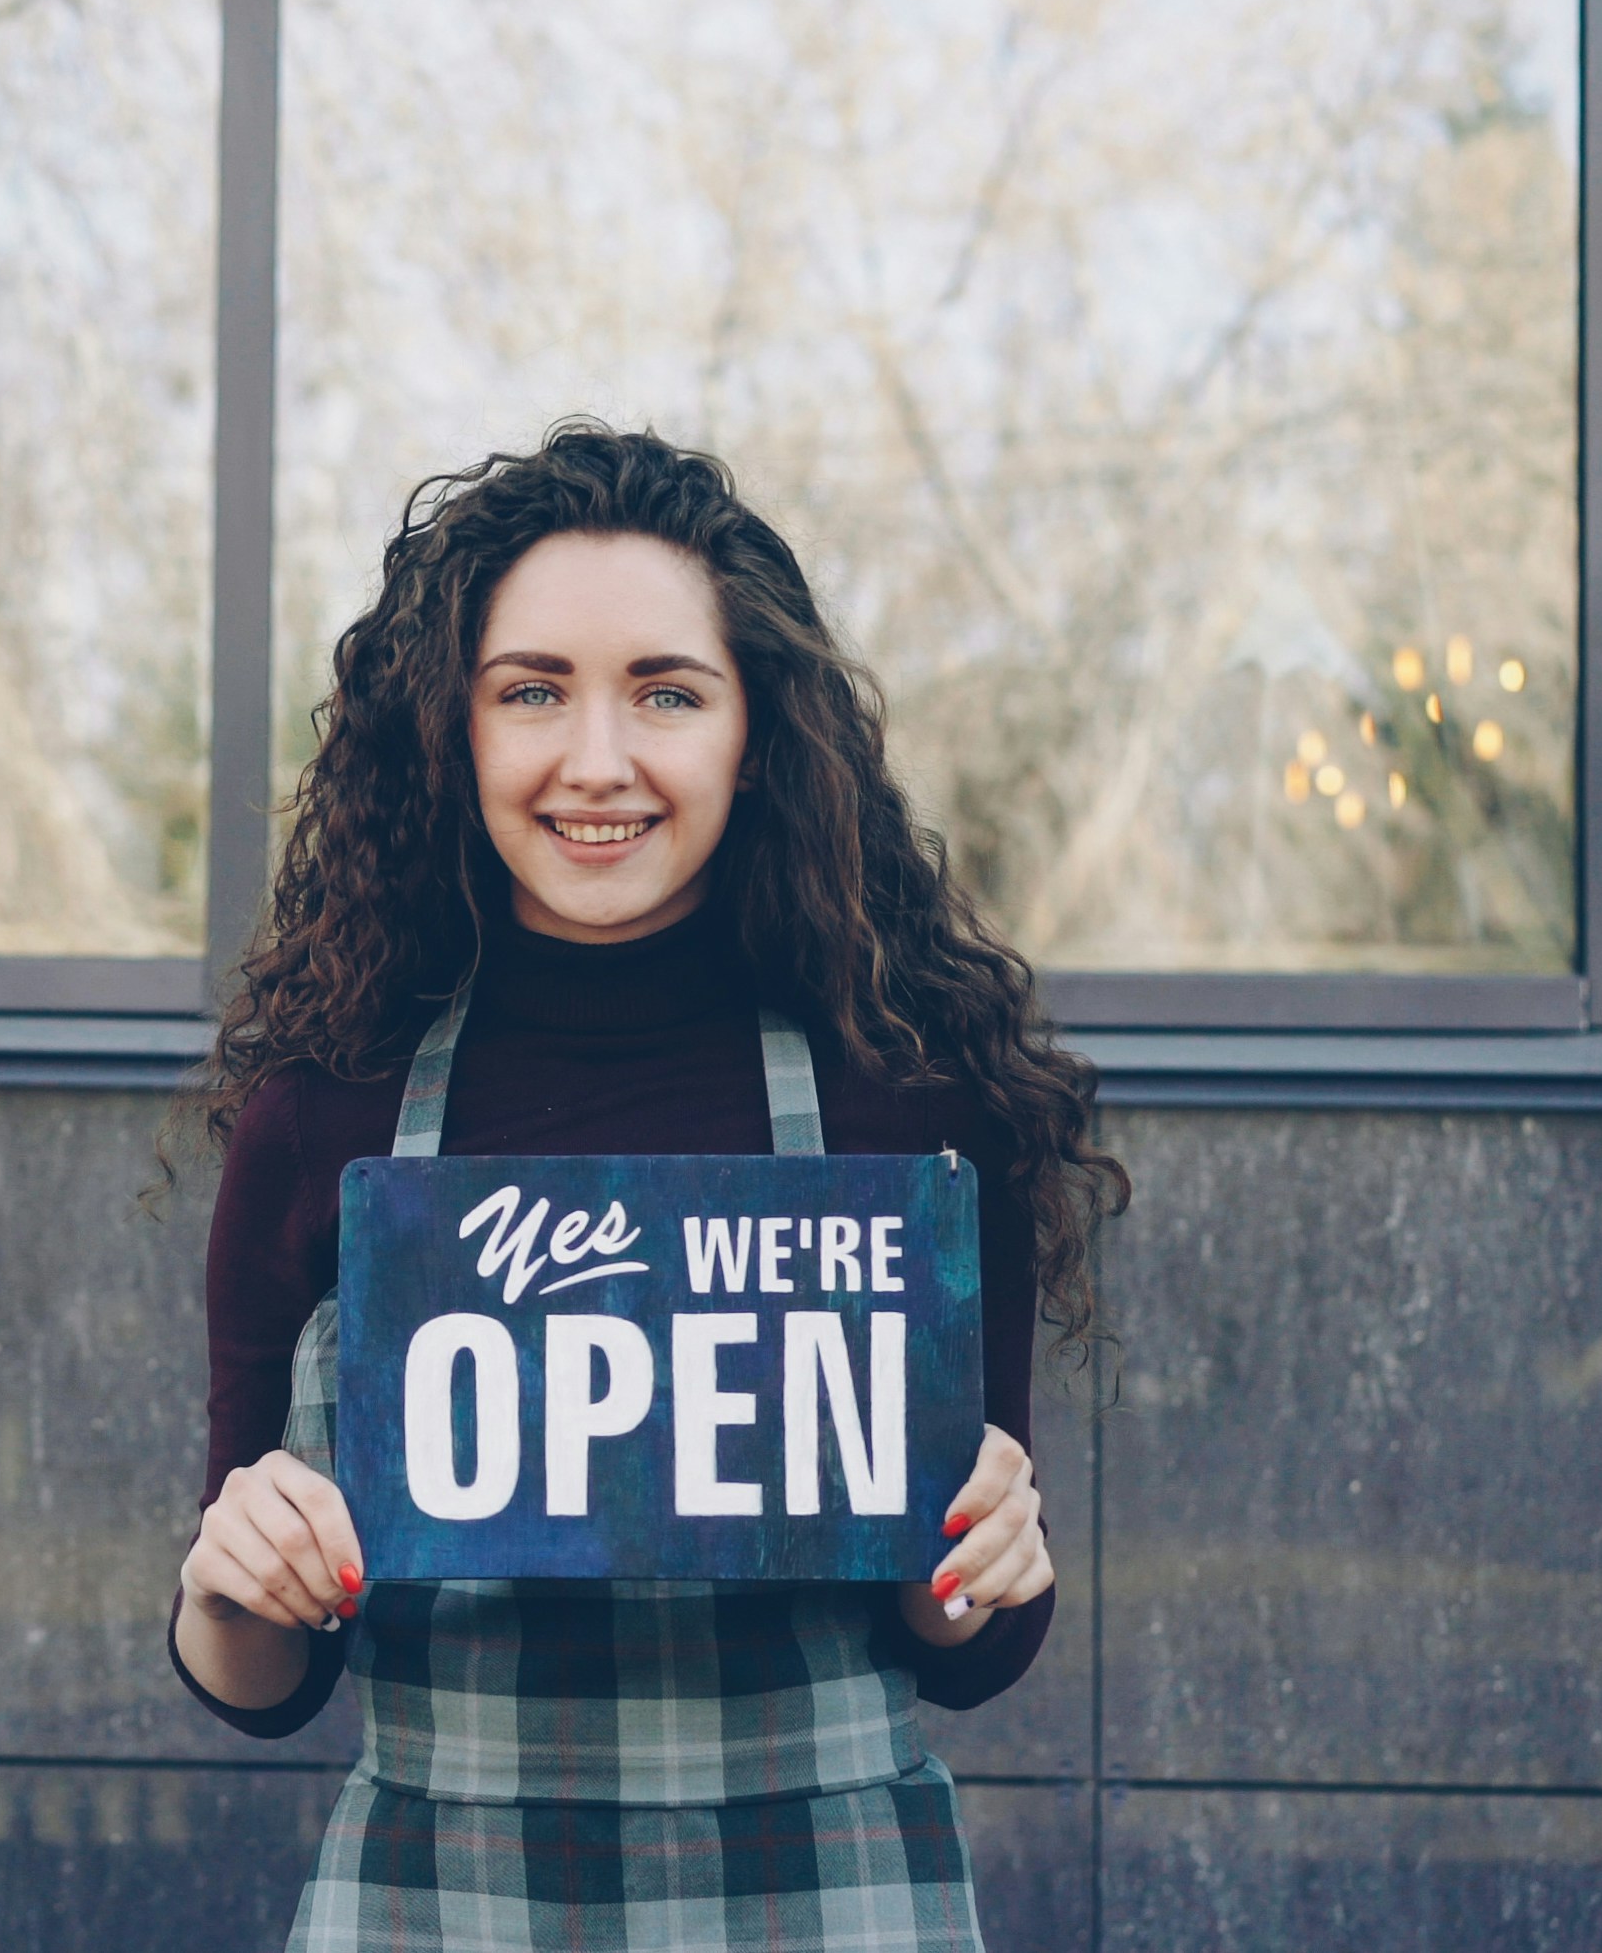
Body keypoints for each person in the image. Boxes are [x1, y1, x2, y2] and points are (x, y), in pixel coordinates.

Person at [168, 423, 1124, 1949]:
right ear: (452, 729)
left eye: (666, 693)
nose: (596, 759)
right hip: (441, 1897)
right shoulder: (322, 1114)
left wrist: (983, 1568)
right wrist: (236, 1580)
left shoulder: (917, 1102)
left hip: (832, 1896)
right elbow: (259, 1682)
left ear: (757, 730)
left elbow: (968, 1648)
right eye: (531, 689)